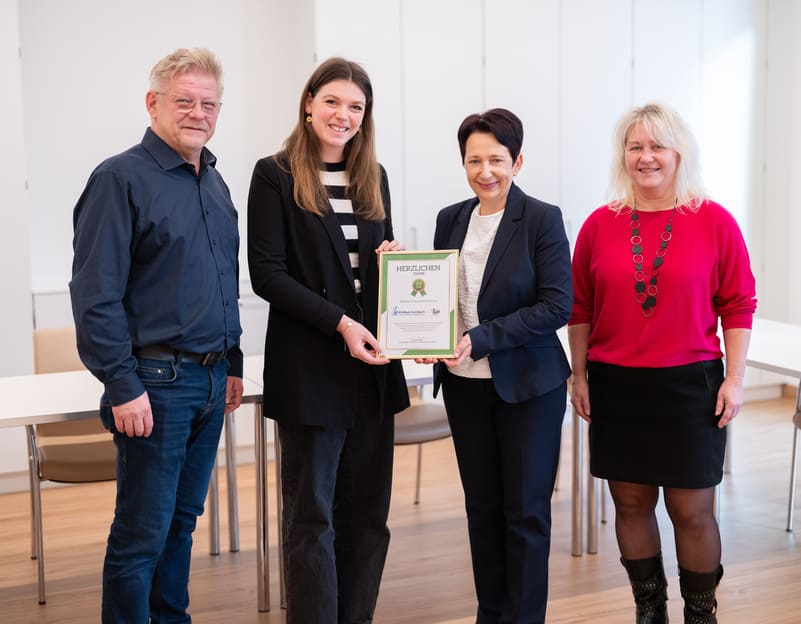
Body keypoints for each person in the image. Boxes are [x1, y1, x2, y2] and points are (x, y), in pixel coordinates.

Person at [69, 48, 243, 623]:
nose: (198, 112)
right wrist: (121, 384)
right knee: (142, 532)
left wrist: (234, 360)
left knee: (182, 523)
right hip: (155, 382)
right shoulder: (119, 178)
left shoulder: (214, 184)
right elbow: (95, 296)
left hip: (212, 381)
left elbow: (223, 281)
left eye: (208, 103)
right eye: (185, 101)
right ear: (154, 104)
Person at [568, 103, 756, 624]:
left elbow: (738, 303)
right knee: (630, 506)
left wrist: (735, 380)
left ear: (679, 153)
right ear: (623, 156)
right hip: (616, 384)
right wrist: (579, 374)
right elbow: (580, 307)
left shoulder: (714, 221)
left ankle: (701, 614)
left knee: (692, 513)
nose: (646, 157)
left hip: (690, 385)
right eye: (635, 147)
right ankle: (649, 610)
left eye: (657, 146)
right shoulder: (598, 225)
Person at [247, 57, 409, 624]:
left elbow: (372, 273)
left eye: (356, 107)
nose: (344, 115)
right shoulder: (275, 175)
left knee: (367, 516)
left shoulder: (374, 176)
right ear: (309, 103)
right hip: (310, 369)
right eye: (333, 102)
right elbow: (267, 274)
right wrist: (341, 324)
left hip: (371, 369)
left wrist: (390, 263)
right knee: (311, 517)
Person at [419, 108, 572, 623]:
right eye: (474, 160)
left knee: (525, 514)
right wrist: (426, 335)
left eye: (497, 160)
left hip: (529, 387)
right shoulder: (451, 218)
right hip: (465, 386)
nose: (485, 171)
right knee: (482, 510)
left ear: (518, 161)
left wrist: (481, 338)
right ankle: (493, 615)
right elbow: (442, 298)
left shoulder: (542, 219)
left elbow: (556, 306)